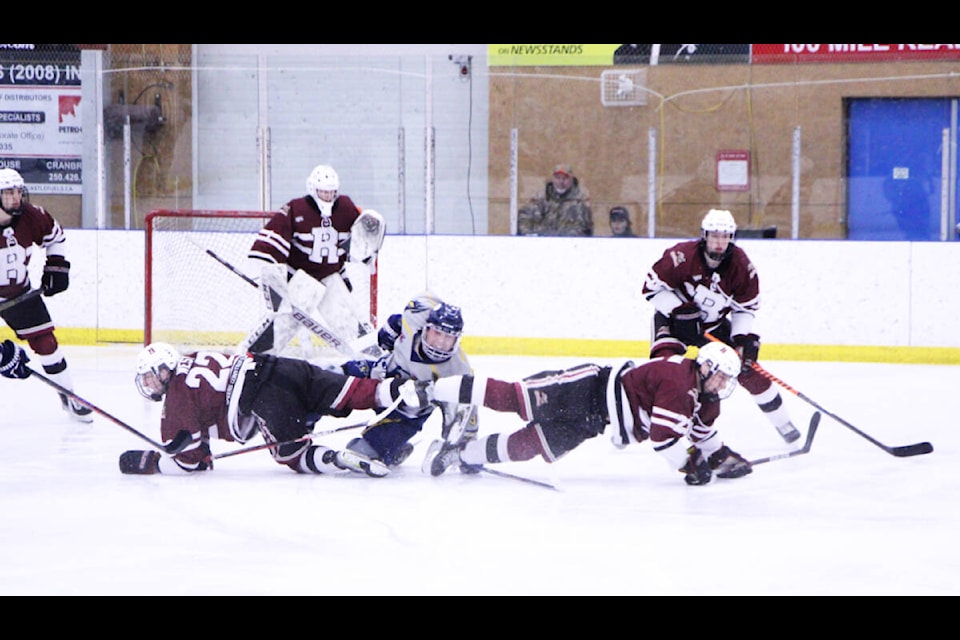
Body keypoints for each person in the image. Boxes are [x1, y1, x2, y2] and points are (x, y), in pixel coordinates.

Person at [423, 341, 752, 486]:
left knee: (528, 446)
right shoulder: (680, 383)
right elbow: (664, 440)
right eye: (721, 375)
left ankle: (460, 454)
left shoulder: (703, 395)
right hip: (586, 388)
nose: (723, 384)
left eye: (727, 379)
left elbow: (702, 431)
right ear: (706, 366)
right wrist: (690, 464)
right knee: (514, 397)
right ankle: (433, 390)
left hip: (593, 421)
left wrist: (720, 455)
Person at [103, 342, 434, 476]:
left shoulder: (176, 398)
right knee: (347, 391)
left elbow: (190, 464)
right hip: (278, 365)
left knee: (291, 454)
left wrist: (146, 461)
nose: (148, 384)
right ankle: (401, 389)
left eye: (150, 376)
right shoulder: (192, 356)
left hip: (264, 399)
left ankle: (339, 459)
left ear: (164, 370)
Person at [642, 208, 800, 443]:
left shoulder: (742, 267)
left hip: (713, 328)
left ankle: (783, 423)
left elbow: (745, 308)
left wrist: (740, 339)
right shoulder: (680, 257)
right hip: (674, 322)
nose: (719, 242)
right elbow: (650, 289)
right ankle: (642, 425)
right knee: (663, 372)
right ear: (704, 235)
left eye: (725, 236)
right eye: (714, 235)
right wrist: (679, 311)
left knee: (749, 369)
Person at [245, 163, 385, 355]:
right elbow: (270, 245)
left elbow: (360, 240)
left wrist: (367, 255)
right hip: (302, 279)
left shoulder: (345, 207)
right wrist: (273, 280)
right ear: (312, 189)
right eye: (323, 192)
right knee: (282, 325)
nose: (328, 197)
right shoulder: (296, 208)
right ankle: (251, 357)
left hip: (331, 276)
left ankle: (370, 358)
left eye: (331, 192)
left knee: (348, 321)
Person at [335, 291, 475, 475]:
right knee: (331, 378)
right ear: (427, 327)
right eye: (437, 333)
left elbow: (464, 420)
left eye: (449, 338)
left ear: (457, 339)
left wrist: (468, 453)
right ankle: (304, 423)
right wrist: (388, 333)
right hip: (376, 375)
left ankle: (392, 450)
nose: (441, 343)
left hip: (404, 415)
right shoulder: (415, 319)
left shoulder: (458, 372)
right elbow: (399, 320)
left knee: (359, 454)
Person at [0, 168, 92, 422]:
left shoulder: (32, 216)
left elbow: (56, 238)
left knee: (46, 344)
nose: (16, 198)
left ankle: (69, 395)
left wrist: (56, 266)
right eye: (8, 193)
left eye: (18, 191)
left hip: (19, 291)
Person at [517, 164, 593, 237]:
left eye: (565, 178)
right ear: (553, 179)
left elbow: (587, 228)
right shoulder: (540, 198)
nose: (561, 181)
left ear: (572, 179)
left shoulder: (580, 201)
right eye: (557, 178)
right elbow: (524, 218)